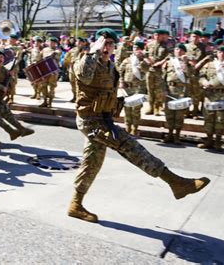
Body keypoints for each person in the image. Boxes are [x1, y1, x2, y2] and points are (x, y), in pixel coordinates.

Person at [68, 28, 210, 223]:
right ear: (97, 43)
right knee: (130, 145)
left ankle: (75, 204)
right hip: (90, 120)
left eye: (110, 43)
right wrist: (94, 50)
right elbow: (83, 76)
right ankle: (175, 182)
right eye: (104, 42)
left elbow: (107, 92)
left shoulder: (110, 66)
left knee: (92, 162)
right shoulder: (84, 60)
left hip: (103, 118)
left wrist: (121, 101)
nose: (107, 47)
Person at [197, 46, 224, 151]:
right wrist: (204, 82)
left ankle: (218, 141)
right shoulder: (210, 64)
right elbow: (201, 76)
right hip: (210, 96)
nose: (222, 54)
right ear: (217, 53)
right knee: (208, 119)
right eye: (220, 52)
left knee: (220, 120)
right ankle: (209, 140)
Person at [162, 44, 191, 144]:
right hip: (170, 90)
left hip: (181, 91)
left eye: (181, 50)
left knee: (179, 115)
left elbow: (190, 76)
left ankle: (177, 136)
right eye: (177, 49)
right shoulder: (169, 62)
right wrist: (164, 89)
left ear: (184, 52)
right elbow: (163, 77)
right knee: (169, 114)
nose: (178, 51)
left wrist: (185, 63)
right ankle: (170, 134)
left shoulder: (187, 63)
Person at [119, 41, 149, 135]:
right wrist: (121, 81)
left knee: (136, 109)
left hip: (138, 88)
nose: (135, 49)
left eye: (138, 48)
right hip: (127, 88)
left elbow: (146, 69)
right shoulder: (128, 60)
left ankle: (134, 129)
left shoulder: (144, 61)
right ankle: (127, 127)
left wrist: (141, 59)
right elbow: (121, 71)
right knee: (127, 108)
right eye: (134, 48)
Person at [145, 29, 169, 116]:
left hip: (160, 71)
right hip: (150, 70)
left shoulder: (166, 45)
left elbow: (169, 56)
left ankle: (157, 108)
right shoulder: (149, 44)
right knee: (150, 89)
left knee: (159, 91)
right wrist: (146, 60)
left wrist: (161, 62)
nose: (157, 36)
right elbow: (145, 54)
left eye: (159, 35)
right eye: (156, 35)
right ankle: (150, 107)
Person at [39, 36, 62, 108]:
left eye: (53, 42)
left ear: (56, 43)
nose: (51, 43)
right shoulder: (44, 50)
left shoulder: (58, 50)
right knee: (43, 86)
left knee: (52, 86)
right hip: (44, 70)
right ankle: (45, 101)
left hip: (53, 71)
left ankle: (50, 102)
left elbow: (55, 56)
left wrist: (53, 53)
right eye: (50, 42)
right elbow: (40, 58)